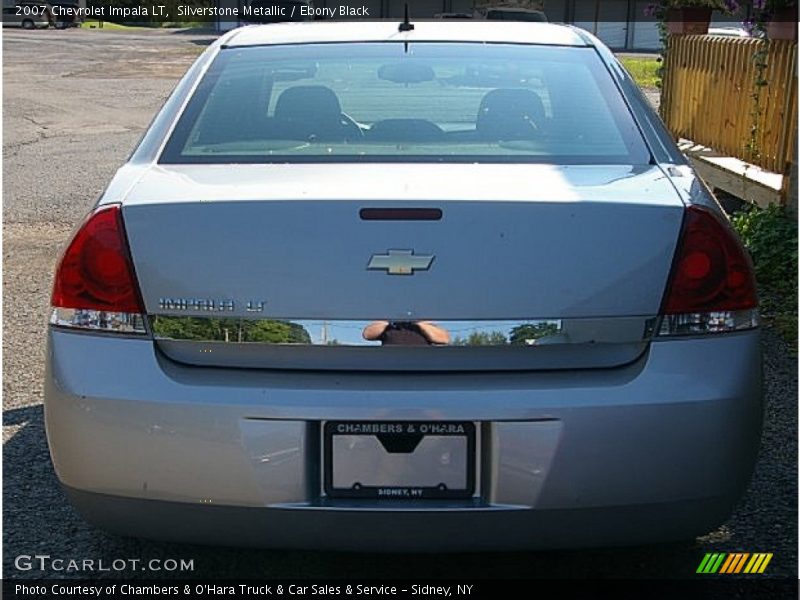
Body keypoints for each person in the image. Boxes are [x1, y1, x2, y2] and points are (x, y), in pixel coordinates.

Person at [362, 320, 450, 346]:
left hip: (419, 364)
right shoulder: (388, 324)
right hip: (390, 364)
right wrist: (390, 321)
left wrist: (418, 323)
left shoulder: (426, 325)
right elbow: (367, 334)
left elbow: (444, 339)